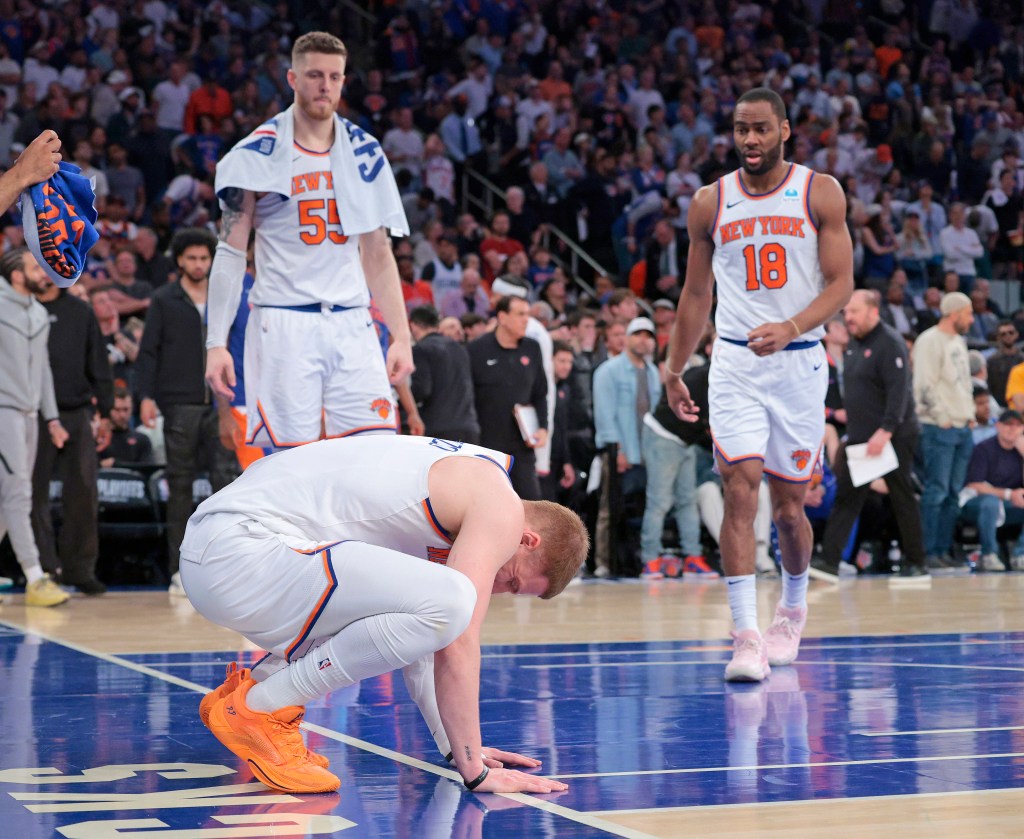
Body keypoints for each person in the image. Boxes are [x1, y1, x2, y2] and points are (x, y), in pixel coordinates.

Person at [182, 434, 586, 795]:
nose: (500, 591)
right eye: (513, 581)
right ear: (528, 540)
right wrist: (475, 772)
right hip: (241, 550)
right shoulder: (501, 507)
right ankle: (261, 707)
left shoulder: (463, 484)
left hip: (223, 554)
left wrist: (457, 745)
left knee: (440, 603)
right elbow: (458, 638)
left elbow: (429, 644)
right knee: (453, 602)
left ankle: (248, 696)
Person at [663, 88, 854, 682]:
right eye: (741, 129)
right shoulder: (708, 202)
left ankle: (791, 611)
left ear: (785, 130)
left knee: (790, 509)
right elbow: (696, 296)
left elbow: (842, 282)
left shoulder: (819, 191)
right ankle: (745, 635)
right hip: (737, 365)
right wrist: (673, 370)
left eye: (761, 129)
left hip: (798, 361)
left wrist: (794, 324)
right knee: (740, 488)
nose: (750, 139)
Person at [204, 32, 412, 451]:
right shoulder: (255, 154)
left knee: (373, 452)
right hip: (284, 320)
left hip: (353, 320)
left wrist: (402, 335)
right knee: (287, 462)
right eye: (315, 75)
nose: (325, 85)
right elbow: (229, 253)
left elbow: (378, 253)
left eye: (335, 76)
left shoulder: (365, 152)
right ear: (292, 79)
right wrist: (216, 343)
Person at [137, 228, 240, 595]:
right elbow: (149, 350)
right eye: (192, 258)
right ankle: (179, 571)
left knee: (226, 487)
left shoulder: (225, 297)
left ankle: (225, 568)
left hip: (223, 401)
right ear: (179, 259)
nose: (198, 265)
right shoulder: (164, 299)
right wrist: (145, 397)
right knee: (178, 489)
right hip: (178, 402)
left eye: (204, 258)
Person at [815, 290, 928, 580]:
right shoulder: (855, 343)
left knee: (901, 496)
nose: (848, 318)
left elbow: (899, 392)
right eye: (846, 313)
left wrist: (885, 431)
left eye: (853, 312)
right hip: (863, 438)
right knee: (847, 497)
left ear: (873, 311)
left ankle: (917, 563)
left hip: (893, 436)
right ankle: (829, 561)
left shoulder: (890, 343)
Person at [29, 260, 114, 596]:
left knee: (82, 492)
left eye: (43, 267)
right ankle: (43, 569)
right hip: (31, 414)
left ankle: (79, 570)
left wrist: (105, 411)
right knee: (31, 495)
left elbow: (98, 363)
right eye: (33, 268)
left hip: (76, 412)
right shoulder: (20, 311)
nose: (39, 274)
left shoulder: (80, 311)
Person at [0, 248, 70, 607]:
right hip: (3, 411)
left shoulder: (40, 313)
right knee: (19, 494)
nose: (44, 273)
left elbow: (43, 371)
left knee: (8, 499)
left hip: (28, 415)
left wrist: (53, 418)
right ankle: (34, 576)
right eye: (34, 267)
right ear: (15, 274)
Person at [592, 316, 662, 578]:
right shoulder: (608, 371)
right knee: (610, 509)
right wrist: (617, 449)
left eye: (649, 335)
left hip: (648, 454)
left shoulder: (653, 372)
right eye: (638, 334)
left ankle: (634, 560)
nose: (644, 340)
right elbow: (604, 413)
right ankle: (604, 561)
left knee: (643, 508)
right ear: (628, 338)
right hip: (620, 451)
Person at [912, 291, 975, 569]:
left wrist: (970, 414)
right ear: (955, 313)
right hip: (940, 426)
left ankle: (943, 550)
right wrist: (941, 416)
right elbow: (923, 384)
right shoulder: (929, 341)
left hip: (963, 426)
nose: (971, 319)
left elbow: (963, 383)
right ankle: (927, 553)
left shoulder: (959, 341)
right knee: (936, 492)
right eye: (968, 313)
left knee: (952, 494)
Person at [467, 295, 548, 500]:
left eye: (528, 314)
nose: (526, 319)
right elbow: (467, 398)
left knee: (532, 505)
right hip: (486, 447)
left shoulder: (532, 348)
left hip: (522, 447)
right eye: (520, 314)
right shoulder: (476, 349)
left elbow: (540, 393)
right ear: (502, 317)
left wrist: (543, 427)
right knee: (489, 505)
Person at [960, 409, 1024, 572]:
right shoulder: (984, 449)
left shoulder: (1020, 451)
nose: (1012, 429)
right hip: (977, 504)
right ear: (998, 426)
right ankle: (988, 554)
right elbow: (974, 484)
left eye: (1018, 425)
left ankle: (1020, 555)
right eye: (1008, 424)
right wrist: (1008, 494)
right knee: (991, 502)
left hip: (1009, 506)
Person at [409, 306, 480, 444]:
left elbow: (422, 389)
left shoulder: (421, 349)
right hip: (469, 426)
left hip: (439, 429)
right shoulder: (460, 348)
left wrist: (401, 400)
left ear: (413, 325)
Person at [98, 386, 154, 467]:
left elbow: (146, 469)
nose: (122, 415)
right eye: (117, 410)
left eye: (126, 409)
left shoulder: (142, 441)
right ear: (108, 409)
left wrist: (115, 464)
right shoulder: (98, 440)